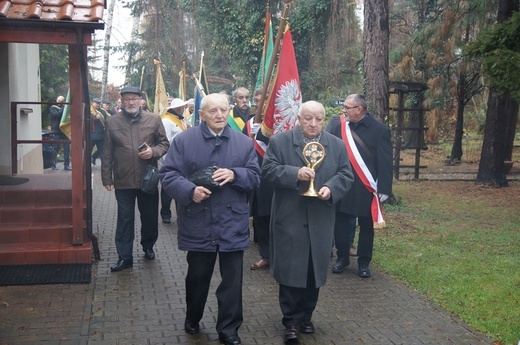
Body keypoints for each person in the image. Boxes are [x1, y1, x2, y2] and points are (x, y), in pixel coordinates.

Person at [159, 93, 260, 345]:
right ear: (201, 115)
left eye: (223, 110)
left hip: (232, 223)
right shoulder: (183, 141)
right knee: (197, 278)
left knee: (232, 282)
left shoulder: (244, 143)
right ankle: (192, 317)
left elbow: (256, 177)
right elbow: (168, 174)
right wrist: (189, 191)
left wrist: (236, 174)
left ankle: (229, 330)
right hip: (199, 222)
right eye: (213, 111)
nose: (219, 115)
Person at [262, 101, 354, 343]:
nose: (313, 124)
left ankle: (307, 316)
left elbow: (346, 174)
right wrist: (295, 173)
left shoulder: (336, 145)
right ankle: (291, 321)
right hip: (290, 217)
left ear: (324, 119)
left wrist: (330, 188)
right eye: (308, 119)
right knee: (291, 271)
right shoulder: (280, 142)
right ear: (298, 119)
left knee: (315, 270)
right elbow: (268, 171)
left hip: (321, 218)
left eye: (318, 119)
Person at [101, 86, 170, 272]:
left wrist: (153, 152)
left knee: (149, 217)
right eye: (127, 99)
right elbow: (106, 152)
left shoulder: (154, 119)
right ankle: (125, 257)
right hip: (123, 180)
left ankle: (148, 246)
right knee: (124, 219)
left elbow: (165, 143)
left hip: (147, 179)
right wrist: (107, 177)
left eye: (134, 98)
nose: (130, 102)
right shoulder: (112, 122)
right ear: (121, 102)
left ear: (141, 100)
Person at [325, 94, 393, 278]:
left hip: (365, 187)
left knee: (366, 227)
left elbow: (385, 162)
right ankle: (342, 257)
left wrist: (384, 189)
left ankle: (364, 262)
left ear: (359, 109)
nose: (343, 111)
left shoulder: (380, 131)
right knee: (340, 225)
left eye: (347, 107)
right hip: (343, 184)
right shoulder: (338, 125)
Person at [244, 89, 272, 270]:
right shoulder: (249, 124)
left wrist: (262, 135)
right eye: (255, 101)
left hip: (274, 179)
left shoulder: (280, 124)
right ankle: (266, 255)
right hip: (255, 178)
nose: (257, 104)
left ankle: (281, 255)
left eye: (261, 101)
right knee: (260, 220)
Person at [159, 98, 187, 223]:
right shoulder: (166, 121)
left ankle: (180, 214)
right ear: (177, 109)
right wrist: (167, 162)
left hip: (182, 161)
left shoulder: (180, 121)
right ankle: (165, 214)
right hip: (170, 160)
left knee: (180, 187)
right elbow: (165, 142)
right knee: (167, 189)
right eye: (182, 108)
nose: (184, 110)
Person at [49, 95, 71, 171]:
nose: (59, 103)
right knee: (55, 148)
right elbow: (57, 115)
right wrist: (64, 108)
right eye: (58, 101)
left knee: (67, 148)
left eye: (62, 101)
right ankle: (53, 164)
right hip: (56, 131)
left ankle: (67, 165)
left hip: (64, 130)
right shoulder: (53, 108)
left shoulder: (65, 108)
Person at [90, 98, 110, 166]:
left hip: (101, 136)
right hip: (91, 135)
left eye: (99, 103)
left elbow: (107, 121)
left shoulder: (103, 111)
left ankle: (104, 167)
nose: (98, 105)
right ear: (92, 103)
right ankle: (86, 167)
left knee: (102, 153)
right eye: (96, 103)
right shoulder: (89, 111)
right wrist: (95, 118)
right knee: (88, 153)